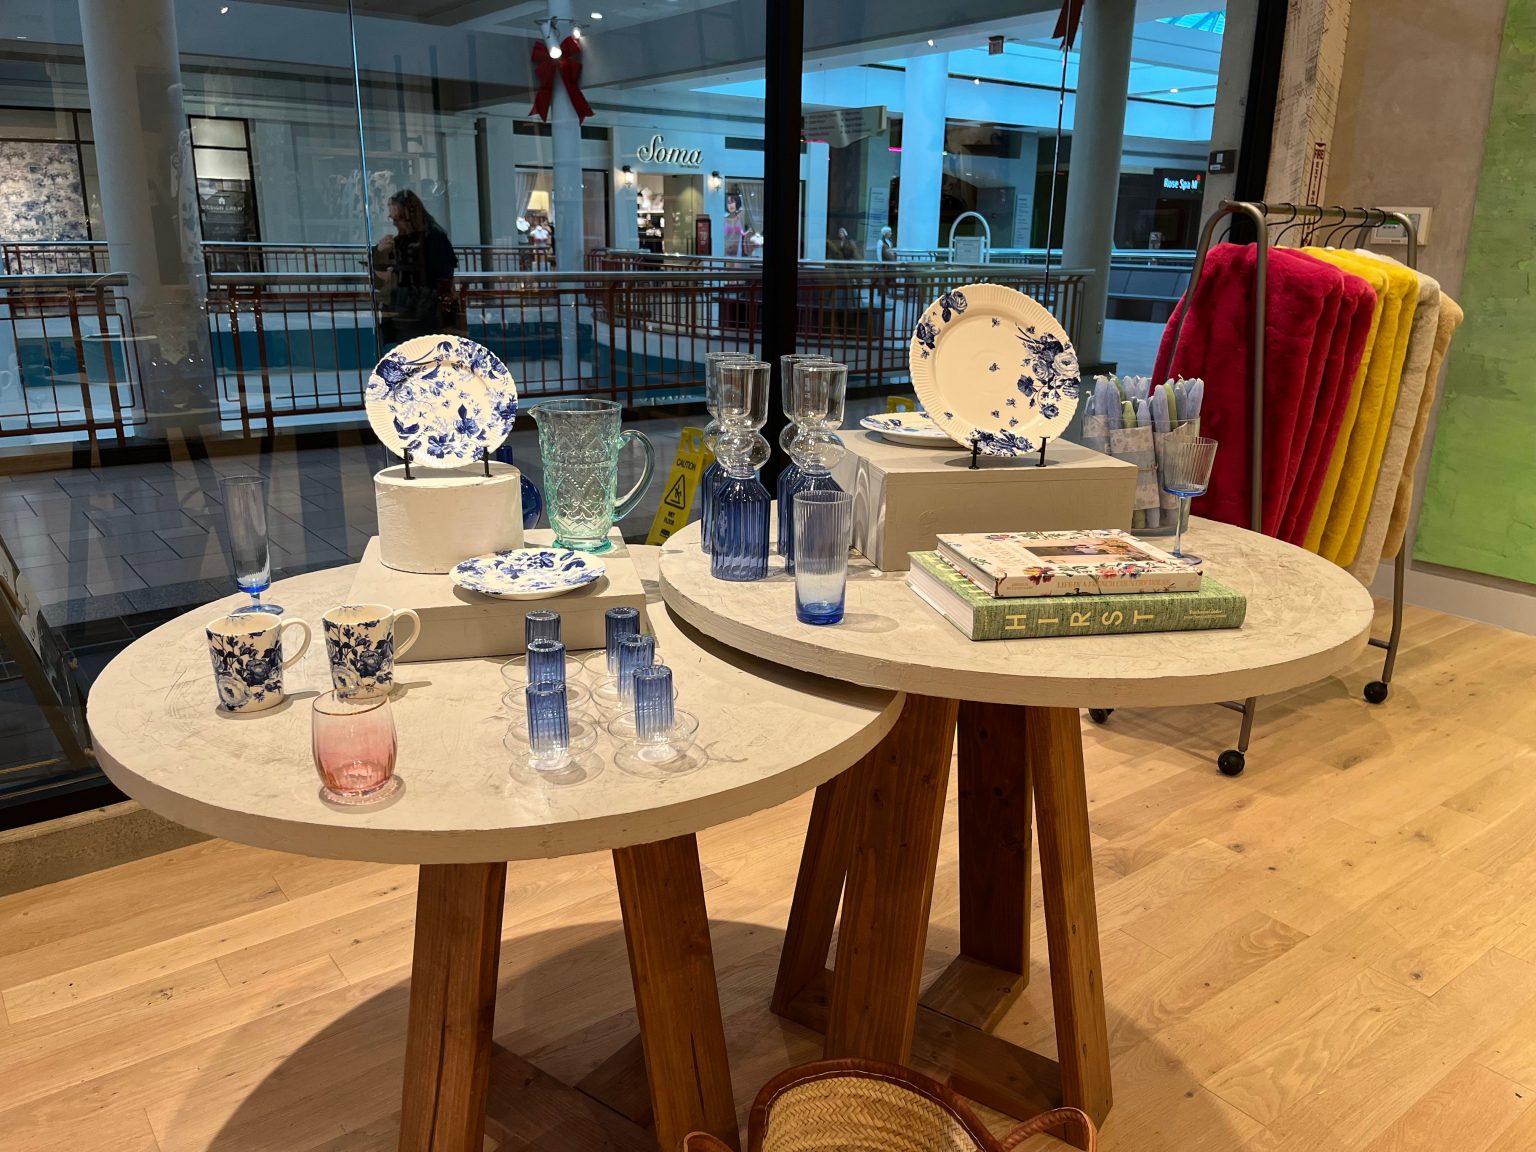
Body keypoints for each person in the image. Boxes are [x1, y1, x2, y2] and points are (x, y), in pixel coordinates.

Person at [372, 188, 461, 347]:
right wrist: (380, 251)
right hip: (404, 312)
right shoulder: (403, 240)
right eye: (393, 219)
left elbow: (442, 277)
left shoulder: (433, 238)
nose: (395, 223)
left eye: (399, 218)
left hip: (423, 313)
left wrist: (399, 273)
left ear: (410, 216)